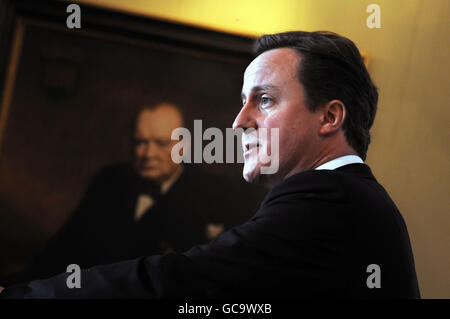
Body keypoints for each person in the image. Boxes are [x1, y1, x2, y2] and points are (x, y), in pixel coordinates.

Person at [0, 31, 420, 298]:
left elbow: (181, 283)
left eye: (265, 99)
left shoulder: (329, 197)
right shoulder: (351, 199)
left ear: (329, 118)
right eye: (243, 102)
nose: (239, 121)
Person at [28, 102, 259, 281]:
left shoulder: (218, 194)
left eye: (160, 143)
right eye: (140, 142)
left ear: (183, 145)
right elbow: (63, 248)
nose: (148, 154)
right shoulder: (110, 181)